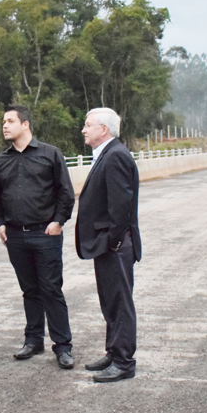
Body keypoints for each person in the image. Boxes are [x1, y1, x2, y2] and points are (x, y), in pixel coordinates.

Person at [0, 105, 76, 369]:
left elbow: (66, 192)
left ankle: (63, 346)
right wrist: (0, 222)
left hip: (45, 234)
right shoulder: (1, 161)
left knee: (51, 289)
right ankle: (33, 340)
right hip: (15, 236)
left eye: (10, 121)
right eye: (3, 121)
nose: (4, 125)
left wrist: (59, 221)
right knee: (29, 291)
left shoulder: (50, 154)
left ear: (25, 125)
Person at [75, 107, 141, 382]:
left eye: (88, 125)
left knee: (119, 302)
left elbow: (120, 205)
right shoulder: (108, 154)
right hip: (108, 244)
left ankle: (124, 362)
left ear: (103, 129)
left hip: (114, 245)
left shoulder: (114, 156)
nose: (83, 130)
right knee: (110, 302)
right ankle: (114, 352)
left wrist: (113, 241)